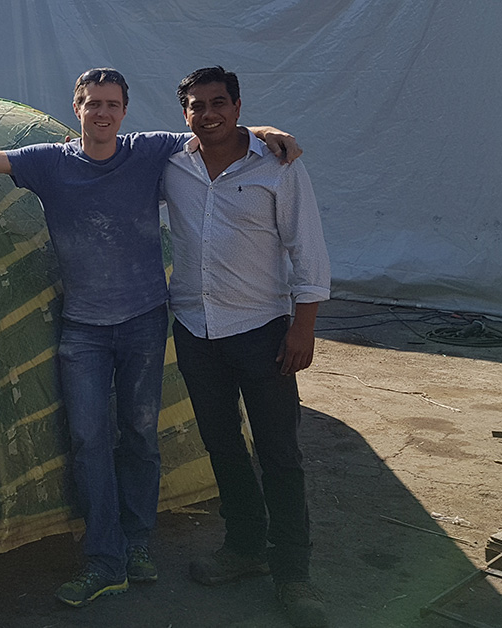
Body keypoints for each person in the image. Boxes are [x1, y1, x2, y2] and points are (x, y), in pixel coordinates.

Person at [0, 68, 300, 608]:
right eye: (92, 103)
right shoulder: (50, 161)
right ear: (77, 108)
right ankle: (105, 557)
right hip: (84, 329)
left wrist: (264, 130)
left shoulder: (150, 152)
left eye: (112, 104)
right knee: (89, 441)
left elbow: (214, 132)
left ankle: (138, 544)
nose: (102, 113)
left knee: (140, 436)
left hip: (145, 320)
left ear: (125, 112)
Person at [162, 66, 330, 628]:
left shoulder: (278, 165)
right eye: (195, 105)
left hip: (263, 332)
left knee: (279, 453)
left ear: (237, 106)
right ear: (183, 111)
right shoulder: (171, 164)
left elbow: (306, 249)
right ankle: (244, 548)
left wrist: (302, 327)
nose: (207, 114)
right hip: (195, 330)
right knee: (222, 447)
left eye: (218, 103)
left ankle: (294, 574)